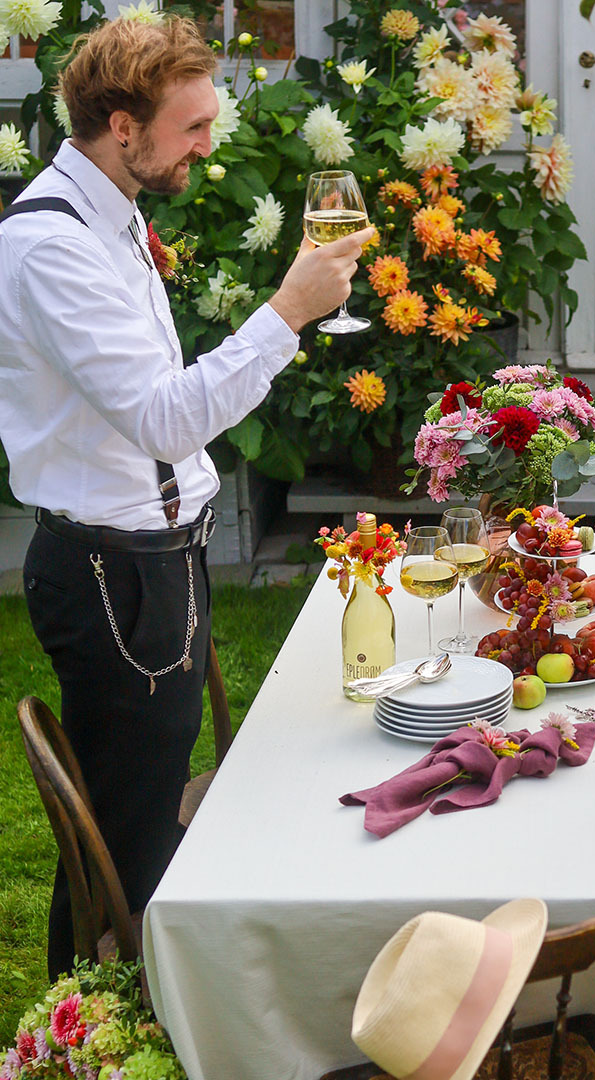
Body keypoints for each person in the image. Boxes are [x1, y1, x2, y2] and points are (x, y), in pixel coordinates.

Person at [0, 16, 372, 980]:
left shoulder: (111, 213)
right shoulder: (52, 247)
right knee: (121, 841)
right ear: (123, 126)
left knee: (145, 815)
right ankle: (89, 1017)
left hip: (154, 557)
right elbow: (165, 420)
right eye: (193, 126)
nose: (210, 145)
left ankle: (133, 1001)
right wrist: (288, 311)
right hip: (111, 575)